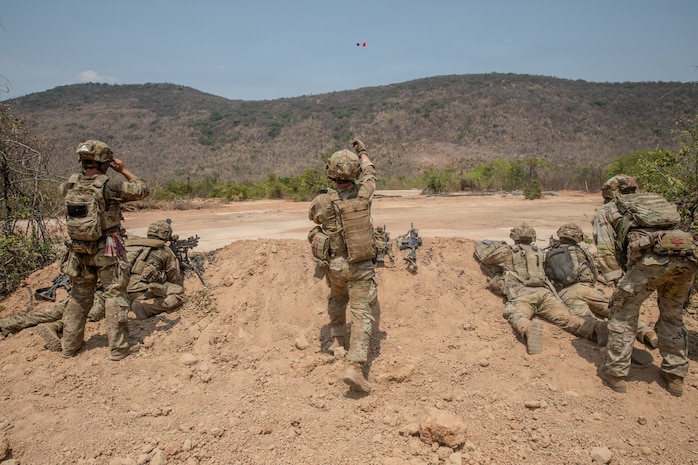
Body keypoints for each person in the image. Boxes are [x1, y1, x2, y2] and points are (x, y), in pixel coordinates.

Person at [5, 220, 187, 352]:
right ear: (166, 236)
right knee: (178, 294)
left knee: (71, 309)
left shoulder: (130, 243)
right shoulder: (164, 251)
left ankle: (10, 324)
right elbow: (174, 280)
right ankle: (60, 326)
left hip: (106, 285)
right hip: (130, 293)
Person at [593, 175, 698, 396]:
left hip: (649, 263)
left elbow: (604, 249)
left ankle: (616, 373)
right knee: (673, 316)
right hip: (686, 259)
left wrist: (615, 279)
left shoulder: (609, 209)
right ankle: (675, 376)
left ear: (609, 192)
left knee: (622, 314)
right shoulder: (655, 201)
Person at [59, 140, 149, 361]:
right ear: (105, 161)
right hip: (107, 250)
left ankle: (69, 347)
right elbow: (142, 189)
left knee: (79, 297)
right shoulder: (109, 186)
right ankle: (118, 348)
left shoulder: (69, 185)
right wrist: (123, 169)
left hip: (78, 251)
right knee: (114, 294)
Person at [308, 138, 378, 393]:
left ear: (331, 171)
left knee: (337, 298)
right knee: (362, 314)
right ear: (354, 173)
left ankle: (338, 341)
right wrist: (363, 151)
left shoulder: (322, 200)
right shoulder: (364, 192)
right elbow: (371, 172)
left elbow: (313, 217)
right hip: (361, 266)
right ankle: (355, 367)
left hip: (336, 266)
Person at [477, 223, 607, 355]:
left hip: (523, 294)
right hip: (545, 293)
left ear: (514, 237)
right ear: (533, 238)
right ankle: (597, 328)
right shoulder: (540, 253)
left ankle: (528, 328)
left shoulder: (507, 252)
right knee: (567, 318)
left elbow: (484, 256)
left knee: (515, 314)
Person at [546, 223, 658, 349]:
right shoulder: (583, 251)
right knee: (615, 310)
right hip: (587, 289)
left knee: (585, 320)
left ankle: (601, 332)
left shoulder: (550, 252)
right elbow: (593, 271)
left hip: (566, 293)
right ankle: (646, 332)